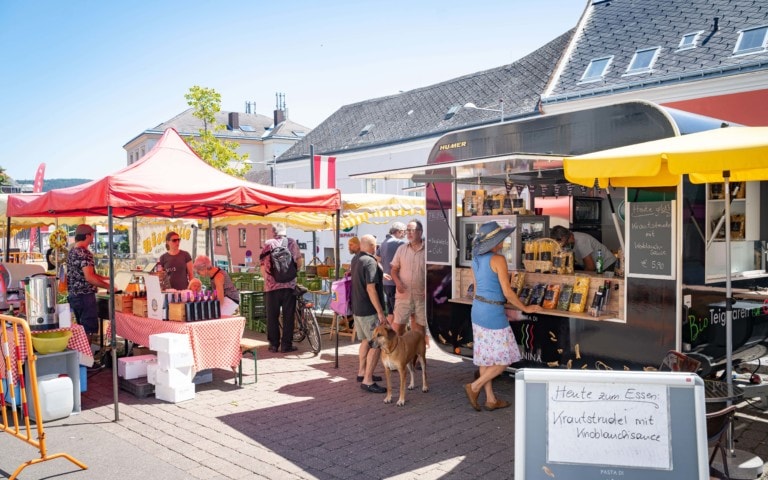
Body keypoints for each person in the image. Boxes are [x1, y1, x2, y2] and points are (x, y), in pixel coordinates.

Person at [464, 221, 541, 412]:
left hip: (478, 309)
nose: (504, 241)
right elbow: (507, 292)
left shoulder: (476, 259)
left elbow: (476, 288)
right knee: (505, 358)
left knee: (486, 358)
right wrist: (525, 307)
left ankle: (491, 399)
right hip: (493, 312)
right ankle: (474, 386)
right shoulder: (498, 260)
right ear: (494, 242)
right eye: (502, 239)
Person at [351, 235, 387, 393]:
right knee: (377, 344)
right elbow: (371, 288)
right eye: (376, 245)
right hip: (369, 310)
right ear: (373, 246)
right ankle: (367, 380)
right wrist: (380, 312)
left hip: (357, 308)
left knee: (365, 341)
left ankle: (361, 373)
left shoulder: (356, 259)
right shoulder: (370, 262)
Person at [260, 223, 301, 353]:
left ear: (273, 232)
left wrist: (268, 279)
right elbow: (299, 262)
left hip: (271, 287)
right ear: (284, 231)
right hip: (289, 286)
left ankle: (273, 345)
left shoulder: (268, 244)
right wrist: (291, 274)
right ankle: (286, 345)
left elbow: (263, 266)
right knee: (288, 316)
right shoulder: (292, 242)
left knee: (272, 316)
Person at [66, 224, 111, 340]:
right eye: (92, 235)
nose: (93, 237)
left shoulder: (72, 252)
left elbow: (85, 273)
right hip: (85, 296)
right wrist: (108, 287)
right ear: (87, 236)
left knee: (81, 329)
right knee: (88, 330)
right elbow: (89, 278)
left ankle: (81, 351)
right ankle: (87, 352)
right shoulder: (84, 253)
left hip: (74, 295)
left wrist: (104, 278)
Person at [390, 219, 426, 337]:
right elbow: (393, 270)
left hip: (421, 296)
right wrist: (397, 283)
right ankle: (398, 350)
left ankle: (418, 350)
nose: (409, 233)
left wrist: (429, 288)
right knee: (397, 329)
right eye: (407, 230)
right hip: (403, 296)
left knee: (419, 331)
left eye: (412, 230)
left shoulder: (429, 250)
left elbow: (435, 272)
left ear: (420, 232)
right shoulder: (401, 249)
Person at [550, 225, 616, 272]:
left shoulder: (581, 241)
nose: (561, 246)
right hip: (598, 267)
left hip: (608, 265)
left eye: (562, 243)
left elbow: (590, 267)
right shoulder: (567, 242)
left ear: (566, 237)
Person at [379, 222, 406, 325]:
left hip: (386, 283)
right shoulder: (400, 243)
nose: (405, 235)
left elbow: (376, 259)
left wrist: (383, 272)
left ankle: (388, 332)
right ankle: (396, 334)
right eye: (404, 232)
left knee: (391, 311)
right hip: (396, 283)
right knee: (398, 314)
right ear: (399, 232)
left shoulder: (383, 242)